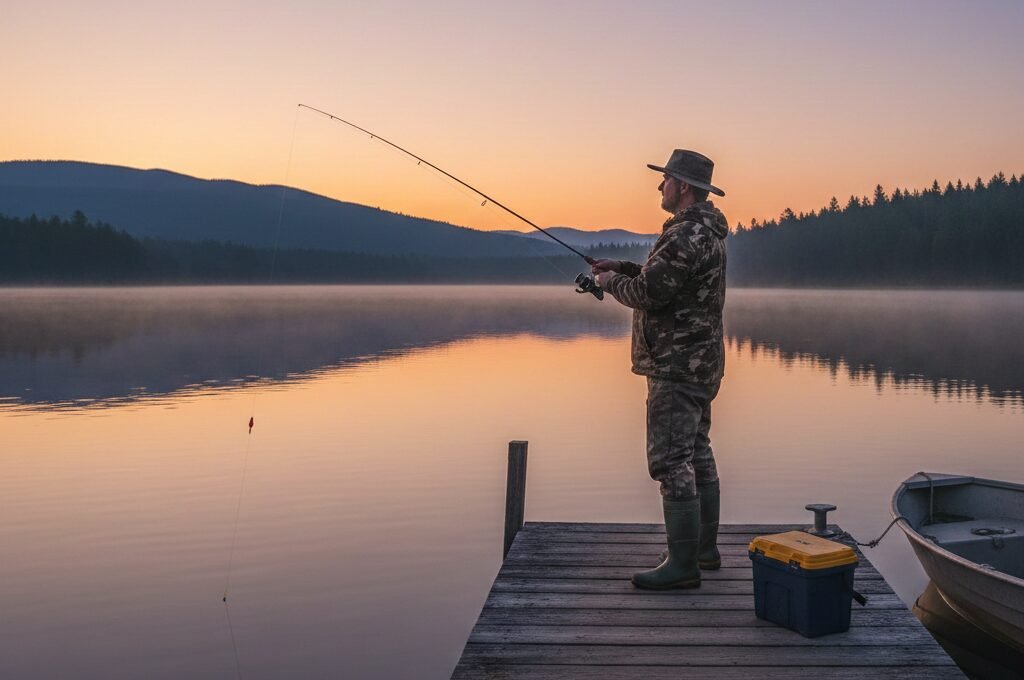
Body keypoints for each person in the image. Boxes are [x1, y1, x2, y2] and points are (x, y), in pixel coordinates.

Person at [592, 149, 729, 590]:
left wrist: (609, 282)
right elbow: (665, 279)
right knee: (697, 451)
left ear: (683, 186)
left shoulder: (686, 235)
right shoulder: (703, 233)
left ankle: (683, 566)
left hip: (676, 366)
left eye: (666, 179)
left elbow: (648, 294)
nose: (660, 186)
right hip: (700, 364)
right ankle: (703, 551)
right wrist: (623, 266)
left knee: (670, 461)